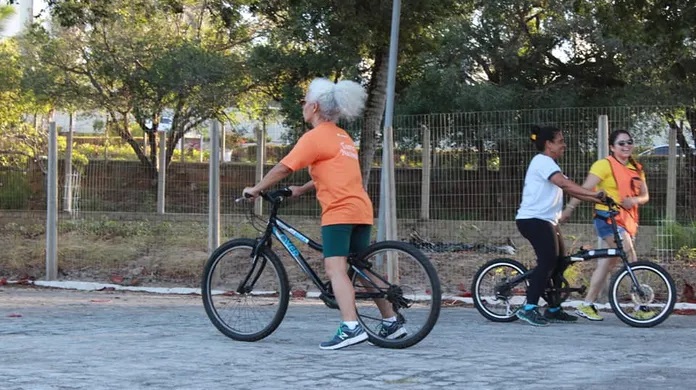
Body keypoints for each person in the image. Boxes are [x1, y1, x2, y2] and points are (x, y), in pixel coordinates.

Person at [243, 77, 404, 350]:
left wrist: (256, 188)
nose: (302, 106)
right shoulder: (342, 137)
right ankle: (391, 322)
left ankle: (351, 327)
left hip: (339, 211)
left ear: (315, 107)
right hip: (361, 209)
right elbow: (334, 173)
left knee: (335, 268)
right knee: (359, 268)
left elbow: (283, 168)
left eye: (304, 102)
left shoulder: (314, 137)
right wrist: (302, 189)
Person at [515, 125, 606, 327]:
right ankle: (528, 308)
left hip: (547, 221)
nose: (564, 145)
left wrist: (601, 200)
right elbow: (565, 185)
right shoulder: (542, 161)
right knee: (547, 261)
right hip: (533, 219)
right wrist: (594, 194)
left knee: (560, 262)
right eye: (560, 141)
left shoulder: (551, 165)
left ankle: (553, 309)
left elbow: (575, 191)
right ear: (548, 144)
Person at [562, 129, 650, 321]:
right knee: (630, 256)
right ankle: (640, 306)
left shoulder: (637, 168)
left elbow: (645, 196)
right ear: (612, 147)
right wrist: (569, 209)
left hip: (627, 221)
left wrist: (634, 200)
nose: (626, 146)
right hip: (607, 219)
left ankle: (587, 305)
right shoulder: (603, 165)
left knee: (607, 264)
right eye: (621, 143)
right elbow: (584, 190)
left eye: (629, 142)